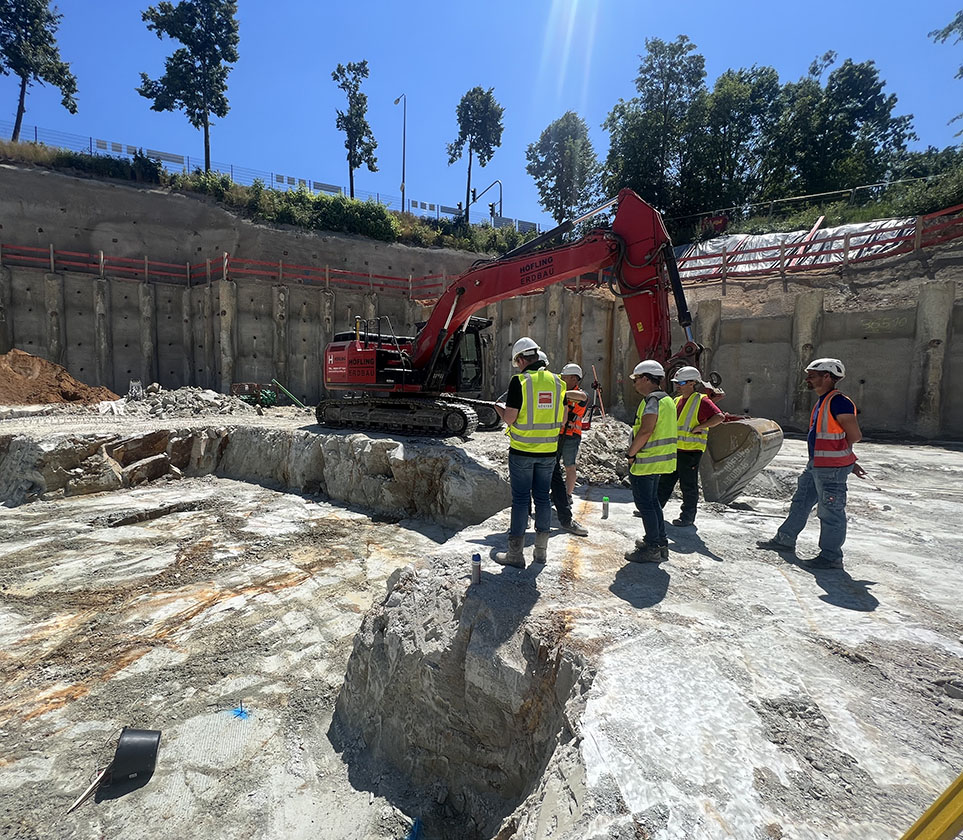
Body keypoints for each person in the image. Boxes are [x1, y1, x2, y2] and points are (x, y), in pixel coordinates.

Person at [757, 358, 863, 570]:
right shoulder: (823, 401)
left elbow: (854, 435)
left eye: (812, 375)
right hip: (817, 464)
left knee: (831, 511)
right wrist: (847, 459)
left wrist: (843, 459)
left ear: (827, 376)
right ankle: (785, 539)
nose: (807, 378)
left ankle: (831, 556)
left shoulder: (838, 401)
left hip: (830, 468)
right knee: (801, 501)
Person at [493, 337, 566, 568]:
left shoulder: (520, 382)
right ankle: (541, 553)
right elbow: (563, 419)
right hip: (549, 453)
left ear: (522, 359)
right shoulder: (558, 382)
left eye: (518, 362)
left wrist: (498, 409)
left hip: (523, 451)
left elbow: (511, 418)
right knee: (543, 498)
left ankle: (515, 555)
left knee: (522, 500)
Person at [624, 360, 677, 563]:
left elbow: (646, 430)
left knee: (645, 504)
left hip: (646, 461)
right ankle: (659, 542)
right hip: (661, 461)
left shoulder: (652, 400)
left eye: (637, 379)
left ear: (646, 378)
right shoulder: (667, 400)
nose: (635, 383)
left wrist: (631, 454)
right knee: (653, 502)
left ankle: (653, 548)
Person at [658, 365, 725, 527]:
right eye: (676, 382)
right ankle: (654, 508)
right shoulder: (677, 400)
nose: (677, 386)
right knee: (665, 481)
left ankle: (687, 516)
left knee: (688, 485)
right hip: (675, 449)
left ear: (691, 383)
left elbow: (719, 417)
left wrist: (700, 427)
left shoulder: (701, 400)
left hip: (691, 451)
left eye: (680, 382)